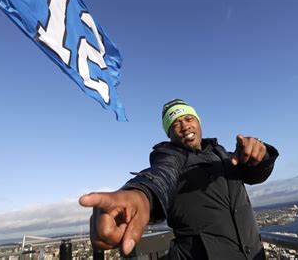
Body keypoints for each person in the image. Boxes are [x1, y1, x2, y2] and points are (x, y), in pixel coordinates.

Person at [79, 99, 279, 259]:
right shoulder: (171, 156)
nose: (184, 126)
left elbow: (255, 175)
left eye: (189, 118)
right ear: (169, 133)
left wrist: (262, 156)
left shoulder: (224, 156)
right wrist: (142, 194)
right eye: (175, 123)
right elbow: (161, 174)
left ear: (198, 122)